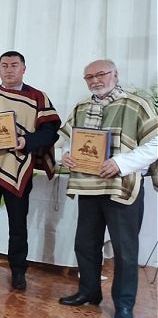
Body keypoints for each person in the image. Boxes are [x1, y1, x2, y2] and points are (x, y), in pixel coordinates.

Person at [58, 60, 157, 318]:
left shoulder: (136, 105)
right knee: (86, 244)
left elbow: (155, 144)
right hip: (89, 187)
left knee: (125, 250)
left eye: (100, 74)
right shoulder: (81, 107)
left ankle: (124, 305)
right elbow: (66, 141)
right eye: (89, 76)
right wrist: (65, 155)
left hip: (122, 187)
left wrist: (120, 163)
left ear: (115, 75)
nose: (95, 80)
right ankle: (89, 292)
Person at [0, 51, 61, 290]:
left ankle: (18, 270)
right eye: (4, 65)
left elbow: (50, 132)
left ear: (24, 69)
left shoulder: (37, 98)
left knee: (17, 223)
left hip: (19, 168)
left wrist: (26, 142)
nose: (9, 69)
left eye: (14, 65)